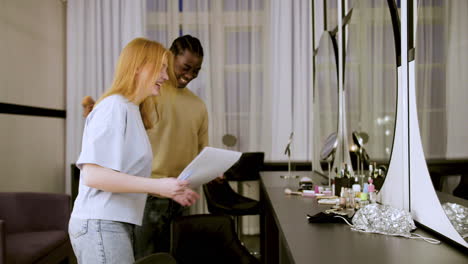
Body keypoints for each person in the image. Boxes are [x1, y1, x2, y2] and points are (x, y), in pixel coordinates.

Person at [69, 37, 200, 264]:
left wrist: (168, 191)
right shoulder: (113, 107)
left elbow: (127, 178)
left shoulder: (132, 110)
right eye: (160, 68)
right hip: (100, 224)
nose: (166, 76)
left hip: (114, 223)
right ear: (139, 68)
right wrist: (159, 185)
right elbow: (93, 175)